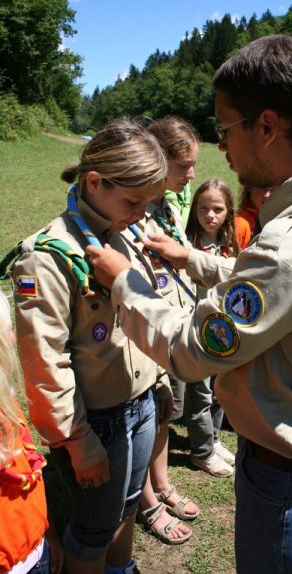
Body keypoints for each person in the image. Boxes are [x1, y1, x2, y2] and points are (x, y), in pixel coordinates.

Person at [87, 35, 292, 574]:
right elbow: (286, 294)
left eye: (225, 129)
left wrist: (125, 283)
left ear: (267, 126)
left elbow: (191, 348)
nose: (221, 147)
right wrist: (193, 260)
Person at [10, 118, 169, 574]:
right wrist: (78, 443)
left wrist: (156, 379)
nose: (142, 213)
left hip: (139, 405)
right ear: (95, 182)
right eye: (133, 201)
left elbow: (141, 316)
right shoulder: (45, 257)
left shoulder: (122, 234)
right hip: (96, 422)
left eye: (148, 202)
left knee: (128, 505)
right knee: (95, 525)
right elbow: (45, 365)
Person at [136, 117, 199, 544]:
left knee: (162, 412)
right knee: (139, 417)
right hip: (144, 331)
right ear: (158, 162)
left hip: (173, 326)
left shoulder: (170, 206)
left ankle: (161, 482)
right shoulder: (133, 207)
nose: (192, 174)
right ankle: (145, 501)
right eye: (184, 166)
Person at [0, 290, 63, 574]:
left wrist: (44, 532)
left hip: (35, 551)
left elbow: (28, 475)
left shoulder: (6, 400)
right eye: (10, 331)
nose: (14, 339)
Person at [184, 179, 238, 475]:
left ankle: (214, 439)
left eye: (217, 209)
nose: (210, 215)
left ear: (228, 212)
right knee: (201, 393)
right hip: (196, 330)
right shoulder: (186, 243)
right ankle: (201, 451)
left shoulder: (230, 244)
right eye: (203, 208)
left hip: (223, 330)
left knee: (219, 390)